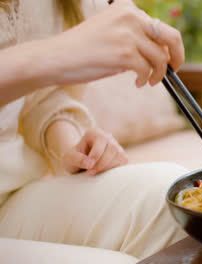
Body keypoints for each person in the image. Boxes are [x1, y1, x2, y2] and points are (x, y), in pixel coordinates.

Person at [0, 0, 188, 263]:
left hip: (10, 200)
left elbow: (36, 101)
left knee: (179, 202)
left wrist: (73, 148)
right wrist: (60, 51)